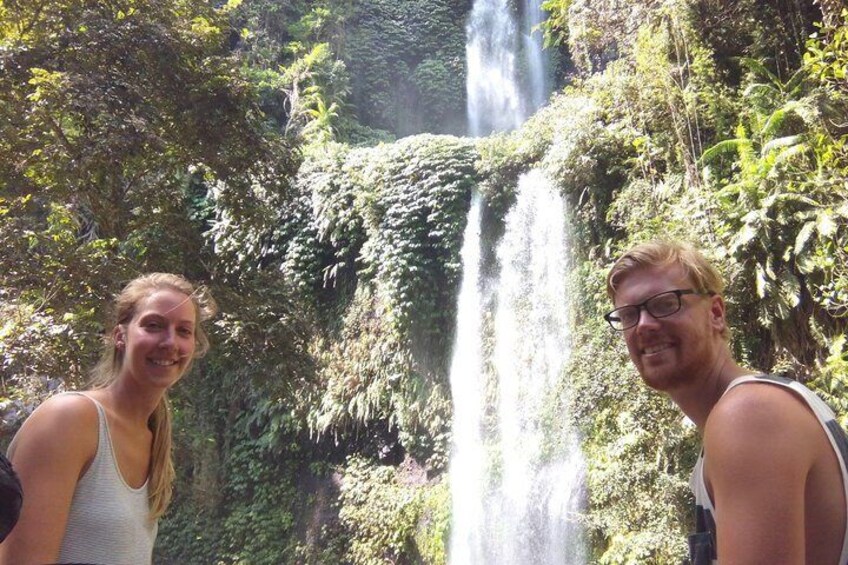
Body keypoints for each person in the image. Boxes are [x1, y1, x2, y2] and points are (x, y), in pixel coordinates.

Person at [604, 240, 848, 565]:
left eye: (665, 304)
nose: (644, 324)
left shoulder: (749, 415)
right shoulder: (753, 408)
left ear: (716, 313)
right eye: (629, 314)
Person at [0, 273, 216, 565]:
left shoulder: (153, 437)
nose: (170, 342)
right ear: (120, 336)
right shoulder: (69, 420)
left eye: (184, 331)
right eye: (153, 326)